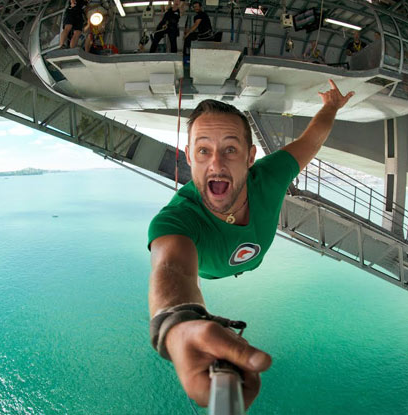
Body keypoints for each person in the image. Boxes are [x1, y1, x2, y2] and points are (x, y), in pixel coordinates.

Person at [147, 80, 353, 410]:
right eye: (203, 151)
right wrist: (176, 325)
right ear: (188, 157)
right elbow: (171, 269)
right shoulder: (176, 220)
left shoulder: (270, 176)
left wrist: (331, 106)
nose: (216, 163)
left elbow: (311, 140)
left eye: (230, 149)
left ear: (250, 156)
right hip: (211, 273)